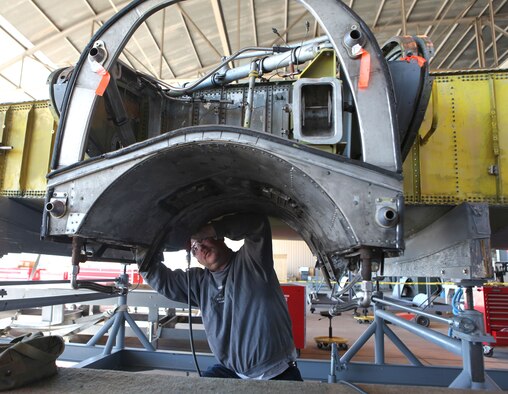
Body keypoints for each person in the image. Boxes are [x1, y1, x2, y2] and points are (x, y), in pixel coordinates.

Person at [139, 212, 303, 381]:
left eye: (203, 240)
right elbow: (160, 279)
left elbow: (256, 223)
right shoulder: (199, 283)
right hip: (232, 372)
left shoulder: (252, 260)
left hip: (277, 372)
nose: (201, 248)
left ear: (219, 238)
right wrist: (145, 246)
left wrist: (208, 229)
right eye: (194, 249)